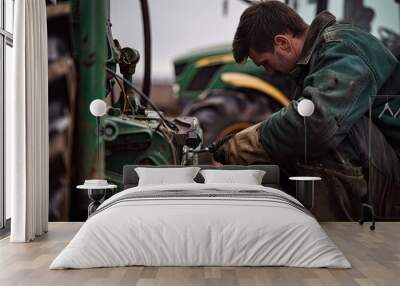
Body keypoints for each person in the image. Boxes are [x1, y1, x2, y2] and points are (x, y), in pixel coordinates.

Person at [213, 1, 400, 220]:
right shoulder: (313, 64)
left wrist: (250, 141)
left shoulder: (344, 50)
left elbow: (317, 123)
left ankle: (336, 242)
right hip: (384, 170)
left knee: (321, 133)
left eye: (265, 63)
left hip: (394, 178)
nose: (269, 72)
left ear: (282, 43)